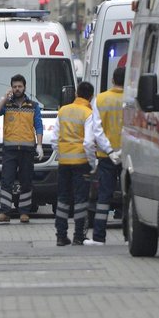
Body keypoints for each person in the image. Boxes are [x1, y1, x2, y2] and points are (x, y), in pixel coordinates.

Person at [51, 81, 114, 246]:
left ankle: (61, 236)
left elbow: (54, 139)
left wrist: (61, 154)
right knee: (81, 200)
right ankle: (79, 235)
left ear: (76, 94)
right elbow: (88, 143)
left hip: (64, 162)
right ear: (91, 96)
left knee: (63, 199)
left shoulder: (62, 111)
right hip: (81, 163)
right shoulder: (88, 113)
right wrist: (92, 164)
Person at [0, 74, 44, 223]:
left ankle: (24, 212)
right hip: (10, 150)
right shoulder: (6, 105)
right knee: (7, 181)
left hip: (27, 150)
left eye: (19, 86)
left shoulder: (33, 106)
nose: (17, 89)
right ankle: (5, 212)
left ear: (24, 87)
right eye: (14, 87)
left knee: (26, 181)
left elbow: (38, 126)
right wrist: (5, 99)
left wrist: (39, 145)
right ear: (11, 88)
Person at [88, 67, 125, 245]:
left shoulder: (100, 99)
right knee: (129, 196)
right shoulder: (133, 99)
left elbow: (97, 130)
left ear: (112, 79)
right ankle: (129, 237)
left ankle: (99, 237)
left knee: (104, 197)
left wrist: (109, 151)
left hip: (106, 156)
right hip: (129, 156)